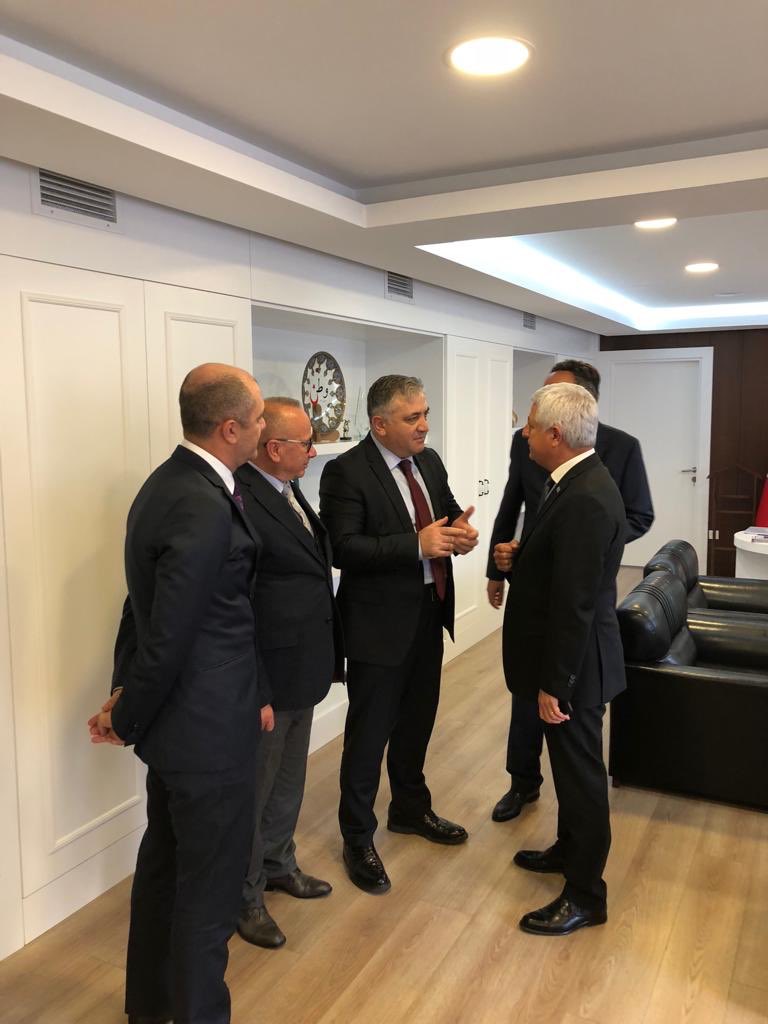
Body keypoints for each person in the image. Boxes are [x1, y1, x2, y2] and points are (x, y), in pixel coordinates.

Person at [87, 363, 270, 1024]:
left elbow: (141, 609)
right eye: (258, 420)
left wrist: (124, 698)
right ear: (230, 429)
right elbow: (167, 633)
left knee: (164, 877)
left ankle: (151, 1010)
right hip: (206, 738)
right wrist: (126, 714)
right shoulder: (199, 501)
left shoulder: (166, 483)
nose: (263, 430)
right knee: (207, 900)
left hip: (179, 733)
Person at [319, 375, 478, 894]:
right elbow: (343, 547)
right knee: (369, 736)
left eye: (425, 413)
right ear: (379, 423)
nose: (424, 425)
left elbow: (445, 512)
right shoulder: (346, 471)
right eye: (413, 418)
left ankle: (410, 809)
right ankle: (357, 837)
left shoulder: (428, 461)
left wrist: (460, 533)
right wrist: (415, 545)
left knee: (417, 722)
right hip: (377, 626)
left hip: (428, 614)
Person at [487, 359, 653, 823]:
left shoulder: (607, 465)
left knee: (574, 748)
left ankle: (580, 862)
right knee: (535, 712)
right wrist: (506, 563)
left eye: (543, 407)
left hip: (572, 621)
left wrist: (589, 546)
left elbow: (626, 522)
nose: (526, 428)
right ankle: (527, 788)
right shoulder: (537, 452)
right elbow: (514, 506)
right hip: (539, 606)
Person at [494, 381, 626, 935]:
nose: (523, 433)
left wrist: (557, 683)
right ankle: (569, 853)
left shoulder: (586, 497)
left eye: (530, 425)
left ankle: (586, 895)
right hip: (571, 662)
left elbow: (575, 603)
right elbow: (562, 567)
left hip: (576, 668)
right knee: (571, 775)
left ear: (555, 434)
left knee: (581, 781)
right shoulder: (573, 481)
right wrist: (520, 556)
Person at [235, 397, 343, 949]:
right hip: (269, 675)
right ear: (274, 448)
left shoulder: (287, 489)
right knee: (255, 790)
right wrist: (256, 685)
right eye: (306, 443)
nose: (314, 451)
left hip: (303, 665)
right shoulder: (242, 499)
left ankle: (279, 863)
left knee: (288, 779)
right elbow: (240, 604)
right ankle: (245, 895)